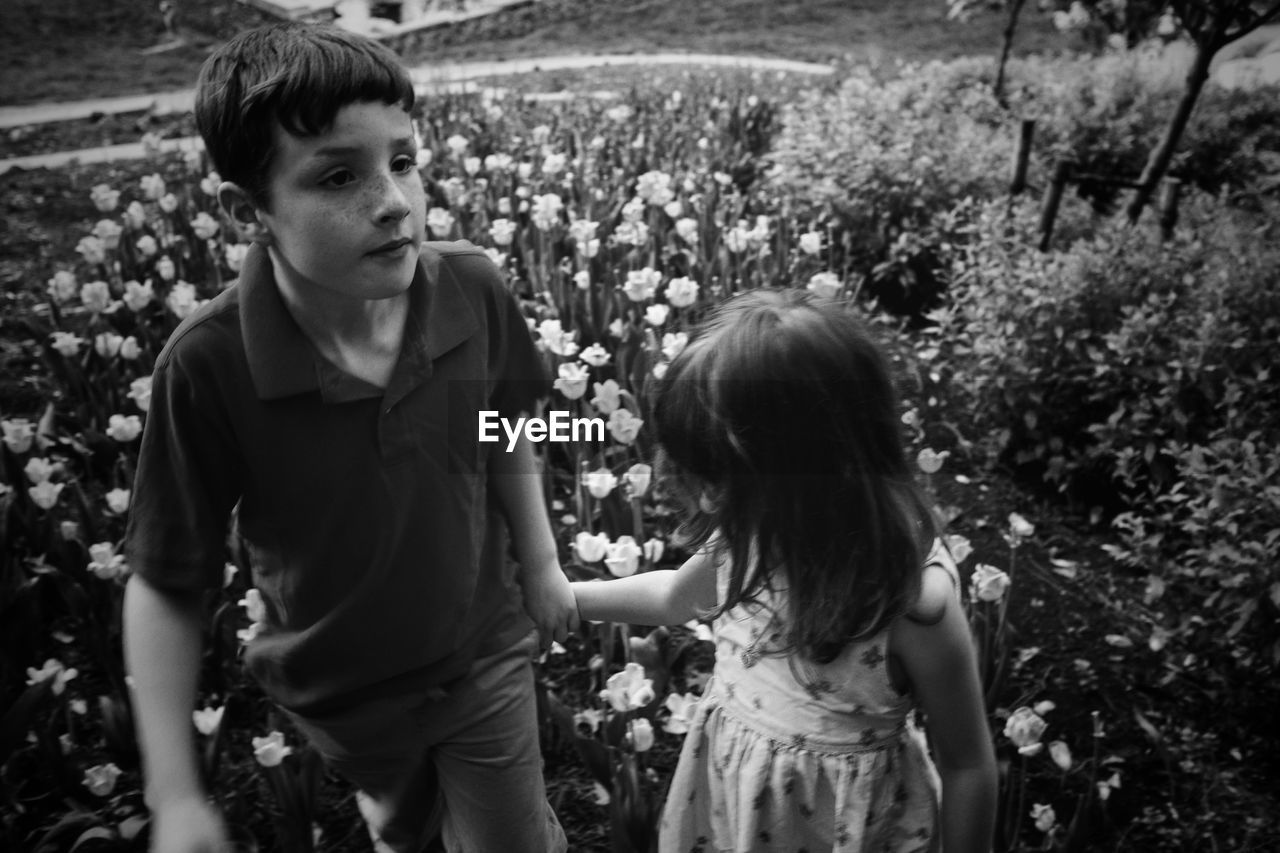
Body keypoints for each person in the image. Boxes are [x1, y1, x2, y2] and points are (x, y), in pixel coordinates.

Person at [121, 22, 577, 853]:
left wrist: (541, 561)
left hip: (480, 651)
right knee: (408, 831)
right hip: (341, 694)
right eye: (339, 175)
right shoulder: (210, 364)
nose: (393, 200)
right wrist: (176, 793)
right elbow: (166, 578)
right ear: (246, 209)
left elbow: (507, 422)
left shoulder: (469, 285)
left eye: (402, 160)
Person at [572, 289, 997, 852]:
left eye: (718, 482)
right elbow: (676, 597)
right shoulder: (754, 538)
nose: (703, 504)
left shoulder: (910, 602)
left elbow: (969, 764)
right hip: (730, 811)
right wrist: (567, 596)